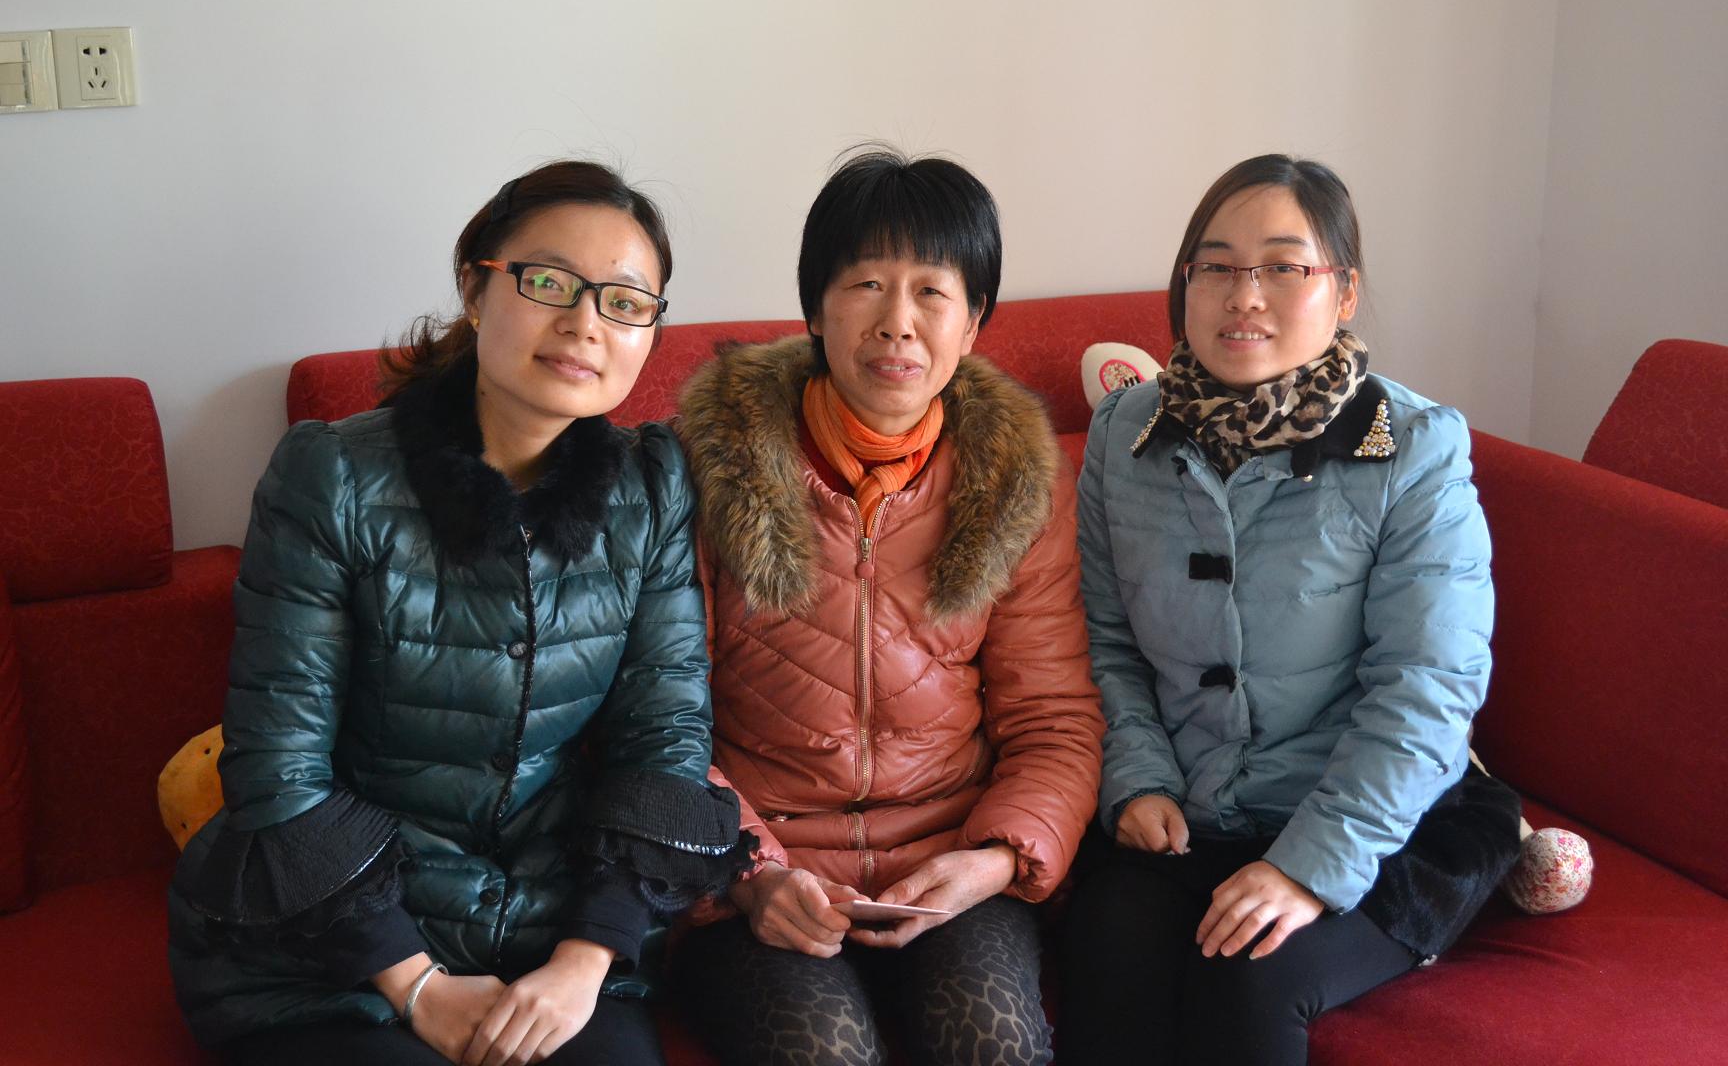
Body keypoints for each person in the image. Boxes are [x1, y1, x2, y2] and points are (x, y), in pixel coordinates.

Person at [168, 161, 750, 1066]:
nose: (585, 323)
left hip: (554, 935)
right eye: (550, 282)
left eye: (625, 302)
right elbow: (278, 766)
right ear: (476, 289)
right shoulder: (332, 475)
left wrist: (583, 963)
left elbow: (663, 738)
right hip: (333, 945)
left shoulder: (651, 484)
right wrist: (417, 986)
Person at [1060, 154, 1522, 1065]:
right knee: (1106, 959)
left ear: (1342, 292)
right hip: (1190, 807)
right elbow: (1104, 640)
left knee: (1248, 978)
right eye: (1217, 266)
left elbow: (1428, 685)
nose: (1245, 296)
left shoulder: (1414, 448)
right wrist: (1138, 779)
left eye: (1283, 266)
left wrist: (1308, 868)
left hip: (1380, 824)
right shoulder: (1125, 433)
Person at [669, 148, 1104, 1066]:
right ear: (815, 309)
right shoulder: (704, 470)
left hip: (950, 859)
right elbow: (658, 723)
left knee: (994, 1039)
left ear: (973, 322)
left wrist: (995, 860)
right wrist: (752, 872)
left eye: (932, 292)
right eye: (866, 284)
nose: (897, 322)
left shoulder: (1019, 486)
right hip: (758, 866)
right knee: (822, 1050)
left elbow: (1054, 718)